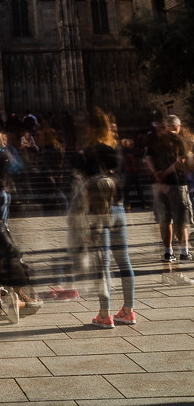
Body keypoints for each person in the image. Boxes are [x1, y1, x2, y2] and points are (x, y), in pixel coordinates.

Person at [73, 108, 136, 328]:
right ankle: (128, 310)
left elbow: (83, 181)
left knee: (104, 264)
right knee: (124, 261)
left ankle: (104, 314)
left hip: (99, 212)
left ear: (92, 128)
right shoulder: (117, 149)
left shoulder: (91, 152)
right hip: (118, 208)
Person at [144, 114, 194, 272]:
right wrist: (165, 173)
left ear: (166, 126)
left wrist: (156, 175)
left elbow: (147, 159)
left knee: (164, 220)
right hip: (177, 184)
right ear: (177, 126)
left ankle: (168, 252)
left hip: (159, 186)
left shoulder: (155, 140)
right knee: (181, 218)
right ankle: (184, 252)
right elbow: (181, 162)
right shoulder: (180, 140)